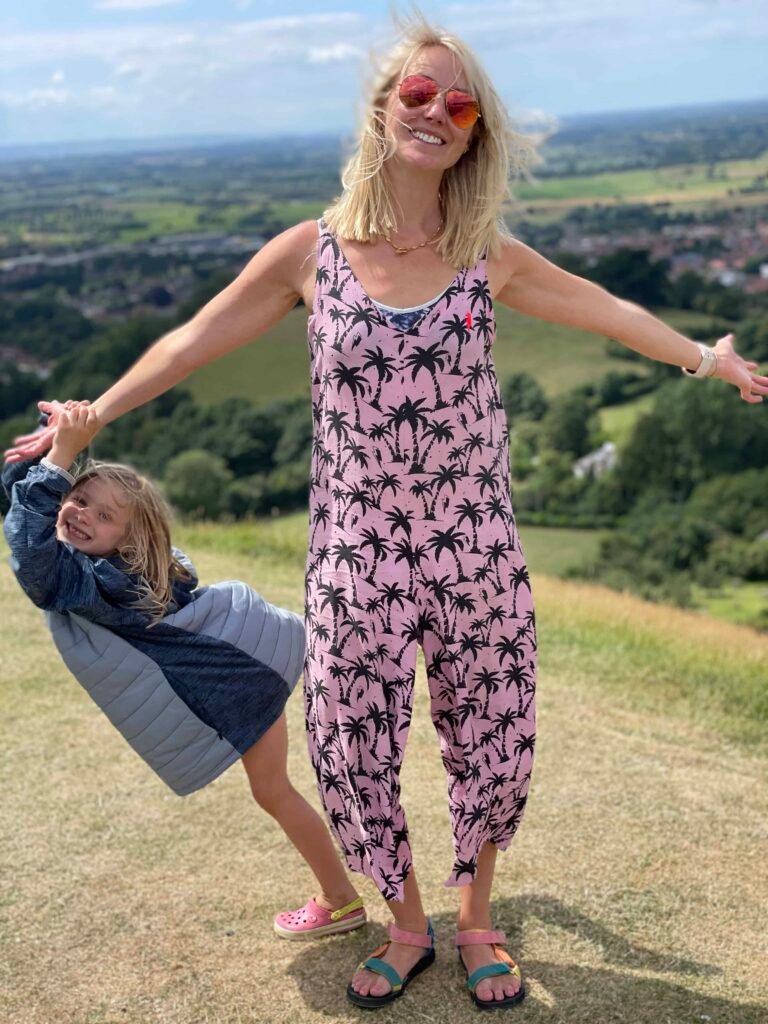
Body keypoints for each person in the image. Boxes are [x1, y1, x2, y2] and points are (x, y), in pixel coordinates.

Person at [6, 17, 766, 1012]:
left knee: (492, 726)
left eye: (460, 105)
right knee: (351, 736)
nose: (438, 114)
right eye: (419, 95)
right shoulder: (307, 256)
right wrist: (92, 415)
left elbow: (608, 311)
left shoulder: (485, 254)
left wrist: (707, 360)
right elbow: (191, 341)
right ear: (381, 107)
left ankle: (479, 916)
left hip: (475, 544)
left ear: (476, 135)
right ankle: (408, 922)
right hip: (356, 552)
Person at [2, 405, 366, 942]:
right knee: (273, 791)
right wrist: (50, 448)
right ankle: (341, 899)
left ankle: (340, 900)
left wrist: (59, 459)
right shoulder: (134, 565)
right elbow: (20, 499)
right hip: (245, 670)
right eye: (78, 500)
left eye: (104, 516)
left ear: (127, 538)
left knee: (274, 792)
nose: (82, 515)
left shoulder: (103, 580)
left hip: (236, 683)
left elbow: (31, 557)